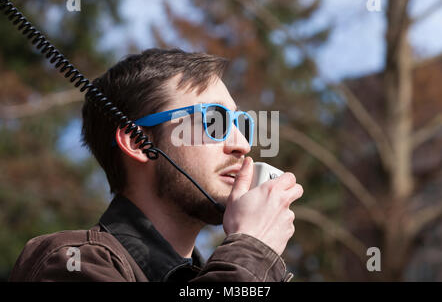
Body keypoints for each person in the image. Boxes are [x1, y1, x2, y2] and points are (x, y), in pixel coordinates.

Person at [9, 48, 303, 282]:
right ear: (138, 142)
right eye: (215, 121)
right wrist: (252, 249)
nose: (242, 144)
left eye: (242, 124)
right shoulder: (70, 262)